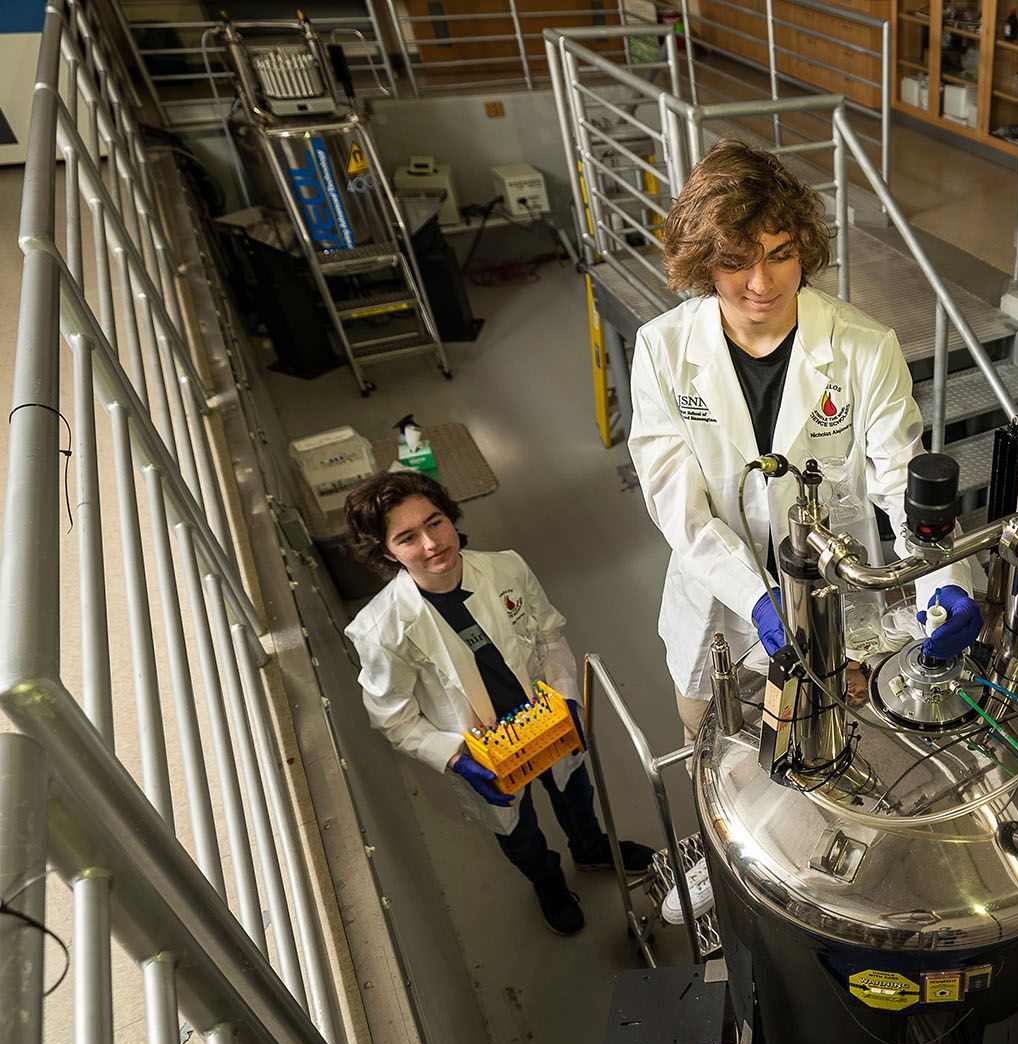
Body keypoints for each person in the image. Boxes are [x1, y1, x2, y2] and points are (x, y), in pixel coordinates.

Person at [628, 139, 983, 742]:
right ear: (703, 263)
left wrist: (946, 578)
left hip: (837, 606)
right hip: (718, 608)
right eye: (737, 260)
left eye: (781, 254)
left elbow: (903, 480)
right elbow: (678, 511)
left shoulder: (865, 347)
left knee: (833, 749)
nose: (762, 282)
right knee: (710, 742)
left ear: (804, 250)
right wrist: (757, 598)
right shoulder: (662, 350)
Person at [342, 472, 651, 935]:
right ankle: (547, 880)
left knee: (574, 791)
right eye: (407, 537)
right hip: (485, 750)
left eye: (436, 522)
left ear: (450, 516)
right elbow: (394, 718)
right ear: (387, 552)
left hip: (544, 720)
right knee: (517, 829)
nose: (431, 544)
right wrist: (455, 759)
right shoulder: (381, 629)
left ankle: (590, 850)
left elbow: (548, 634)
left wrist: (566, 697)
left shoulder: (505, 569)